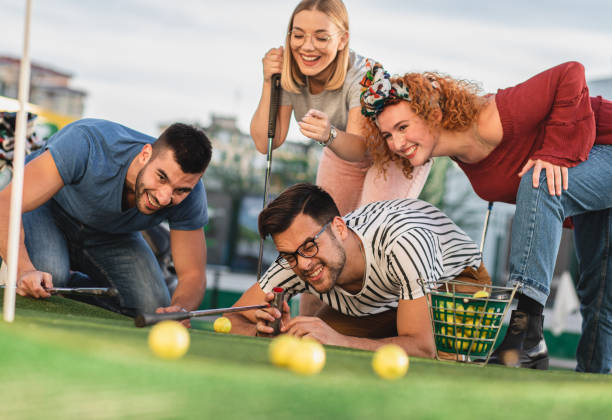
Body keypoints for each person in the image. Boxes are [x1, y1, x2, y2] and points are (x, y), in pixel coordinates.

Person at [360, 60, 612, 373]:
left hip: (605, 142)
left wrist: (555, 151)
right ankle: (594, 382)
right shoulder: (455, 154)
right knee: (600, 293)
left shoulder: (494, 116)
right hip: (592, 176)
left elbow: (570, 72)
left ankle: (525, 334)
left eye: (403, 127)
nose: (396, 143)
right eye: (387, 135)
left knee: (541, 179)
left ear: (434, 114)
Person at [226, 183, 490, 357]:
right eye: (289, 255)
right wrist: (264, 332)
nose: (303, 264)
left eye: (309, 246)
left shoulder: (403, 242)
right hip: (383, 299)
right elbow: (232, 319)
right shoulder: (295, 258)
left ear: (339, 228)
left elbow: (422, 346)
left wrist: (341, 340)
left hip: (454, 281)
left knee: (438, 367)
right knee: (313, 347)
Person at [0, 118, 213, 319]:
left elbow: (193, 274)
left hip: (109, 234)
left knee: (153, 309)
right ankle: (55, 279)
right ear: (145, 154)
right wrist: (24, 270)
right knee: (49, 279)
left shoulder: (191, 195)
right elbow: (6, 205)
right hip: (47, 211)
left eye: (181, 190)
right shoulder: (86, 143)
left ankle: (69, 288)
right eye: (161, 177)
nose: (164, 197)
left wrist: (181, 308)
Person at [249, 0, 431, 219]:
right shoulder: (290, 71)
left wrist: (328, 134)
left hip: (393, 150)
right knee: (330, 227)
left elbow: (360, 146)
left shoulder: (363, 75)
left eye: (321, 37)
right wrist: (269, 81)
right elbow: (266, 142)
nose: (307, 46)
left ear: (342, 40)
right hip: (340, 148)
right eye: (298, 36)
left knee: (367, 228)